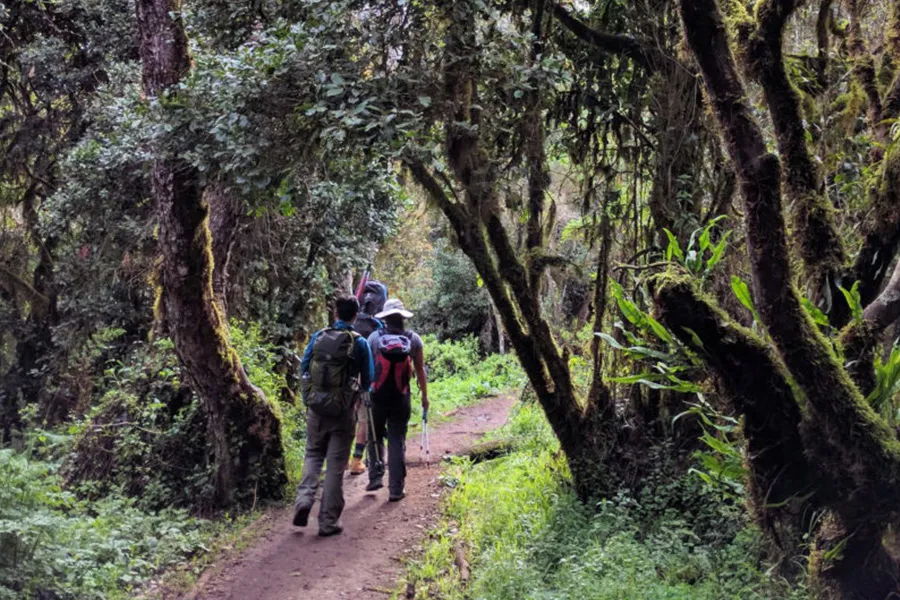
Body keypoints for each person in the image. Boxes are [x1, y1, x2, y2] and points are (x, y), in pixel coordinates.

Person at [293, 294, 373, 536]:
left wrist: (310, 397)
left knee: (313, 454)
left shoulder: (319, 337)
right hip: (342, 411)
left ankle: (304, 501)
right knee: (336, 466)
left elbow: (304, 367)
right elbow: (368, 379)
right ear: (355, 315)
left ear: (336, 313)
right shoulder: (359, 343)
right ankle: (328, 522)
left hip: (316, 409)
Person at [365, 298, 429, 501]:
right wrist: (425, 397)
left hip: (376, 396)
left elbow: (366, 369)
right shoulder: (414, 339)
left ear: (385, 318)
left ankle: (375, 476)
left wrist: (362, 393)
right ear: (403, 318)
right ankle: (395, 489)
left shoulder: (374, 338)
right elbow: (420, 370)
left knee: (374, 435)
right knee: (396, 439)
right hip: (401, 396)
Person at [348, 280, 388, 475]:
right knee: (363, 419)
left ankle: (338, 459)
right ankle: (356, 460)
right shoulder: (377, 325)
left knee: (349, 418)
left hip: (344, 379)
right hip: (366, 380)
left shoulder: (352, 321)